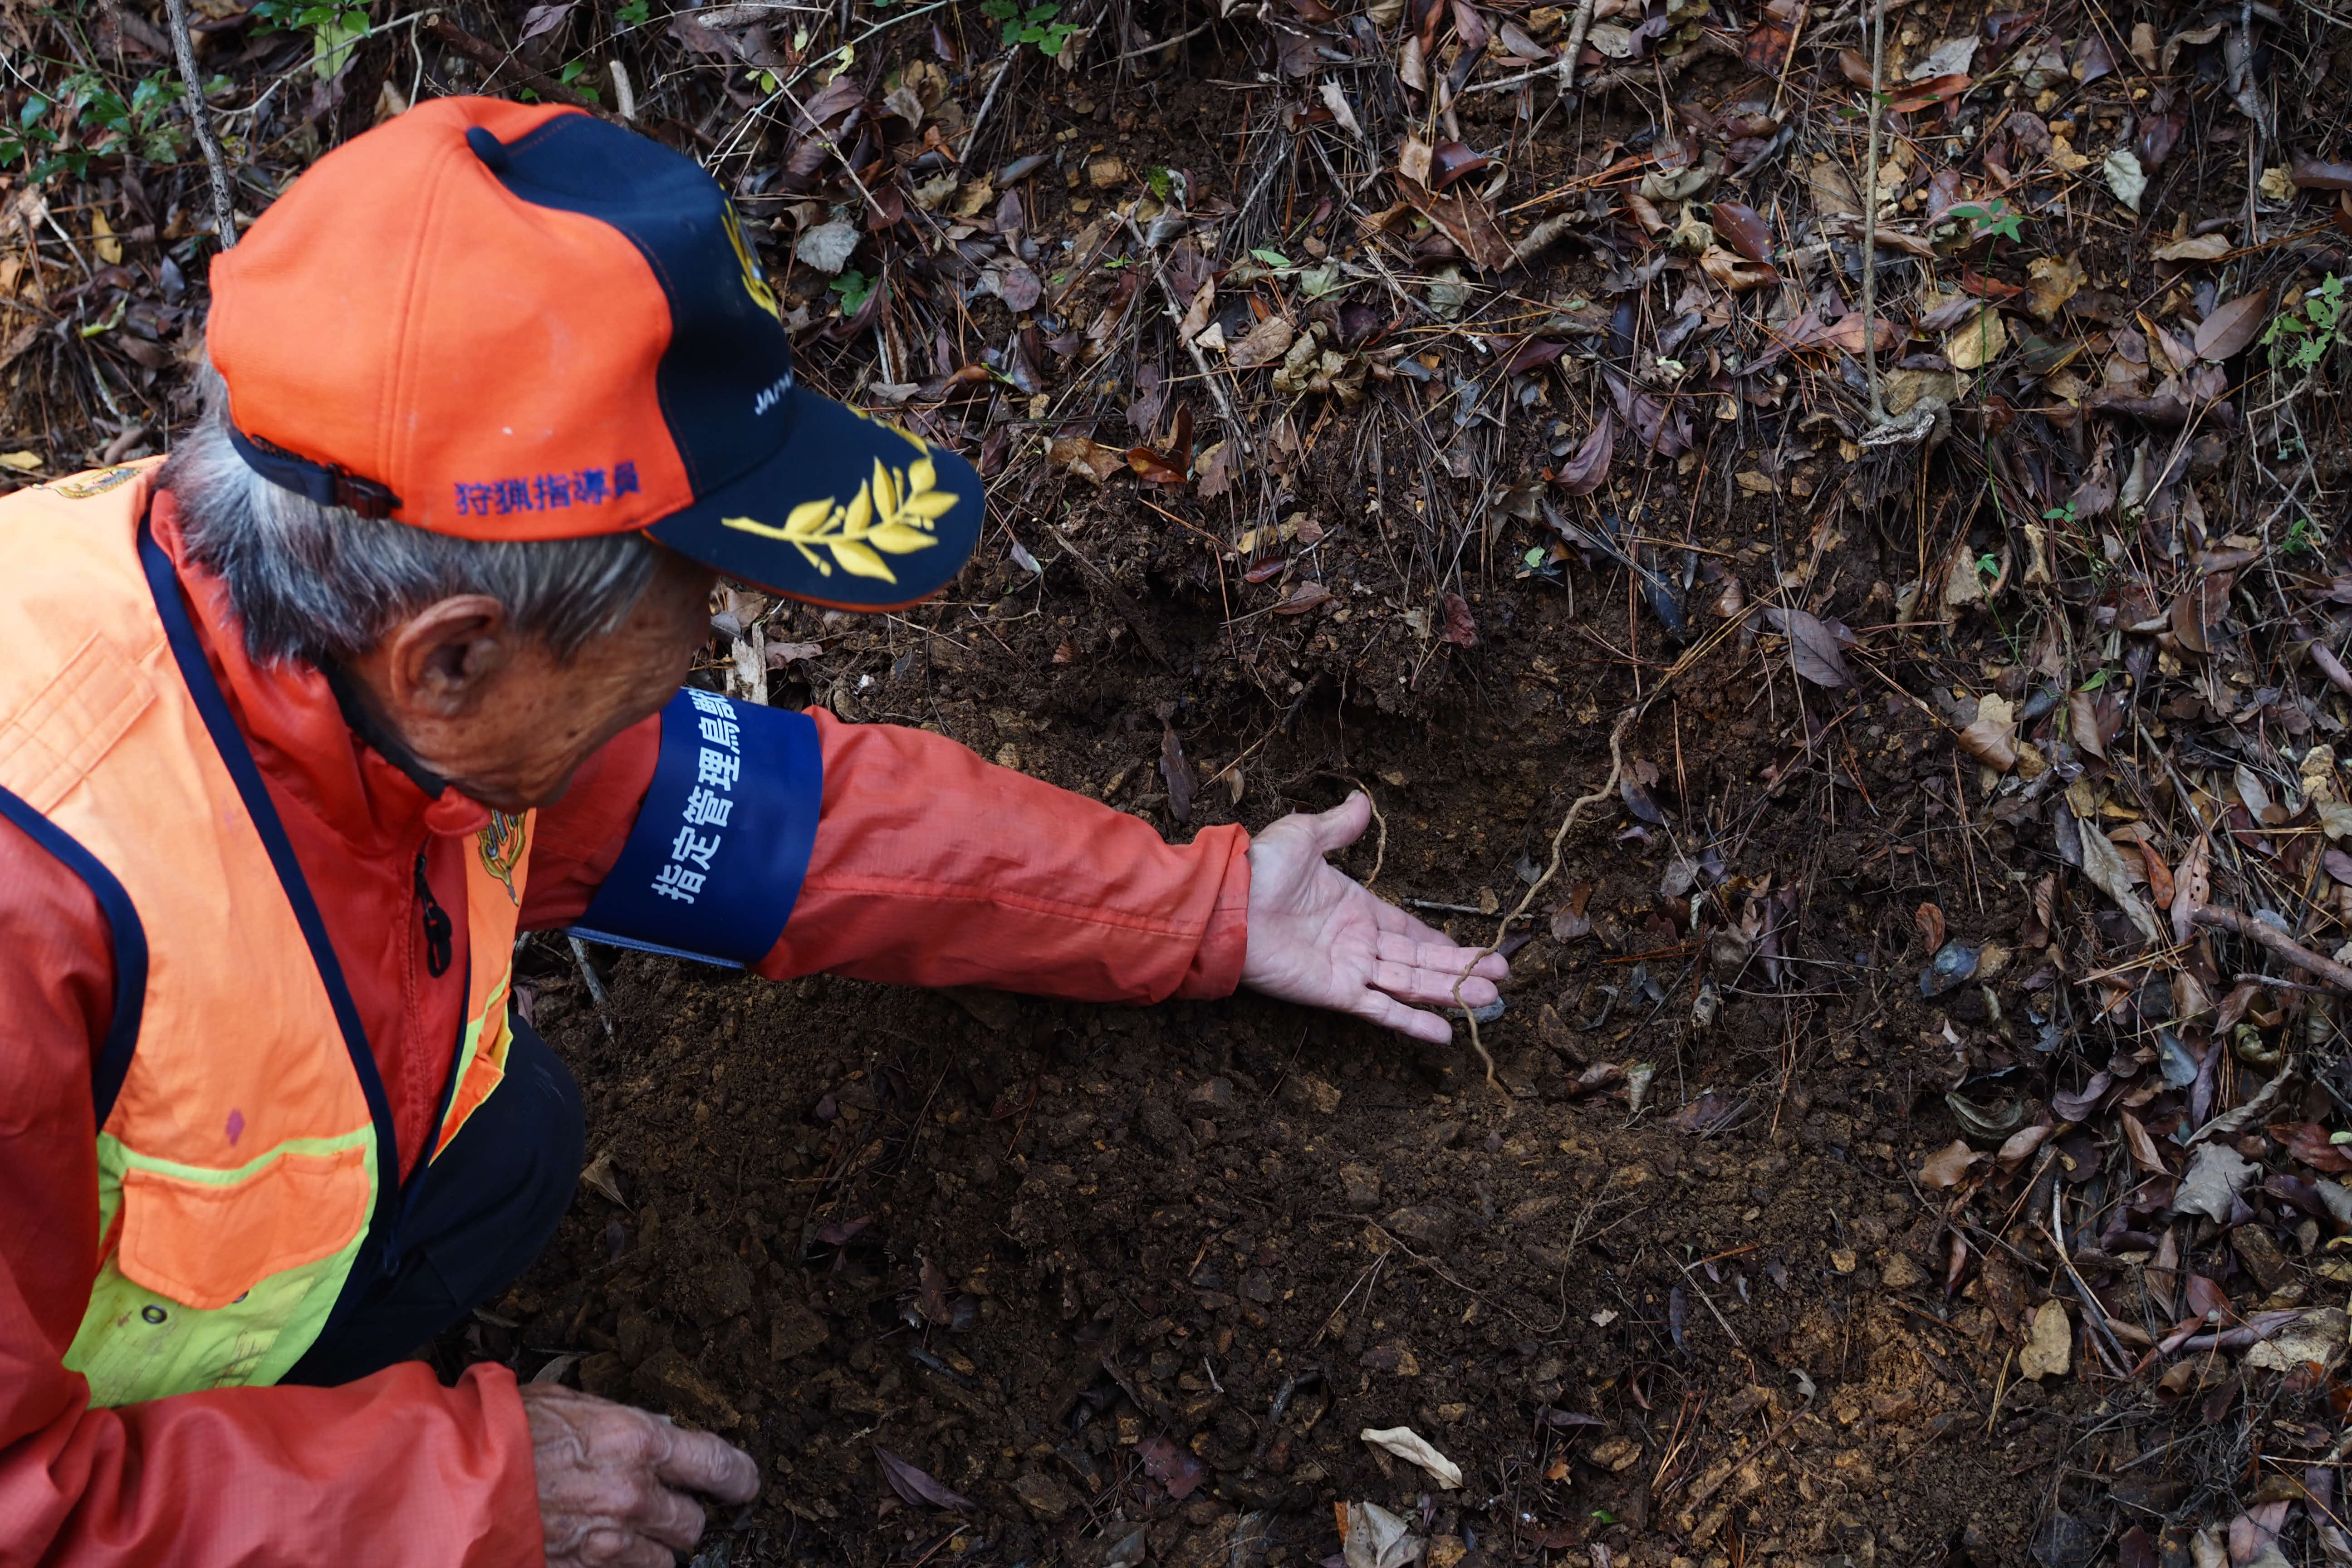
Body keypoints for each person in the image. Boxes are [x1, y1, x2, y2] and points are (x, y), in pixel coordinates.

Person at [0, 97, 1508, 1567]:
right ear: (454, 656)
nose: (705, 640)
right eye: (686, 603)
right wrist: (452, 1494)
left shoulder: (339, 654)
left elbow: (800, 832)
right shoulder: (48, 907)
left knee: (506, 1158)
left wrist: (1209, 908)